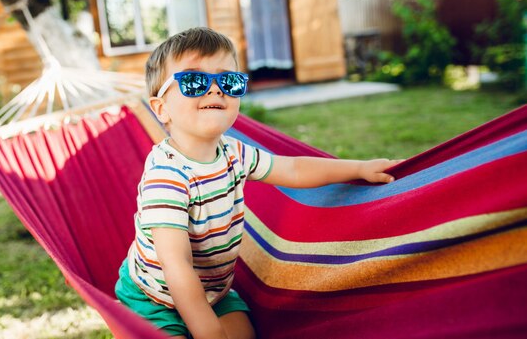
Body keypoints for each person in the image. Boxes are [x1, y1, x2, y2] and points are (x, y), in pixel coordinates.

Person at [115, 27, 401, 339]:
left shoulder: (234, 151)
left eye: (228, 81)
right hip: (154, 296)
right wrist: (208, 332)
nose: (215, 90)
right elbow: (177, 266)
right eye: (195, 82)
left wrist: (359, 168)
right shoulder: (166, 176)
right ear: (161, 109)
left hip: (215, 291)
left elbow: (292, 168)